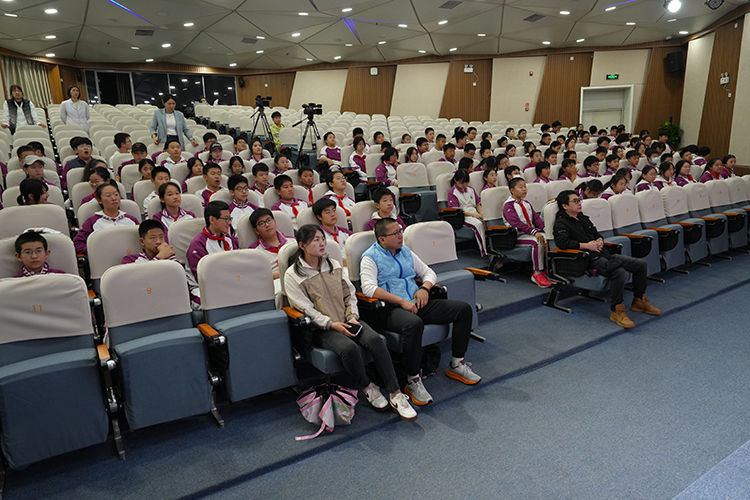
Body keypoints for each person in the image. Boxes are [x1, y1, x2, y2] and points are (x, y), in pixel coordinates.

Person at [285, 225, 417, 420]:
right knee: (349, 348)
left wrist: (352, 316)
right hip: (323, 328)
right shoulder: (293, 275)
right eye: (315, 240)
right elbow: (306, 309)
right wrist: (331, 324)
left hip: (348, 318)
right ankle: (368, 387)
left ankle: (396, 393)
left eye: (322, 238)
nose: (321, 243)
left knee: (376, 340)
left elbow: (350, 294)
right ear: (302, 245)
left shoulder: (333, 264)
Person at [361, 218, 481, 405]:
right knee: (414, 323)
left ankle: (457, 363)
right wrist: (401, 301)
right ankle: (412, 379)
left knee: (463, 309)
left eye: (400, 231)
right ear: (382, 239)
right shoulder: (370, 257)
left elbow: (428, 272)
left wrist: (424, 288)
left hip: (416, 302)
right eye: (395, 233)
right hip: (392, 309)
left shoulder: (405, 251)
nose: (400, 236)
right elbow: (368, 289)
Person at [553, 190, 661, 327]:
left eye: (579, 200)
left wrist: (599, 240)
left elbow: (597, 234)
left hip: (603, 254)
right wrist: (587, 246)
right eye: (575, 201)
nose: (579, 203)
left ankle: (639, 301)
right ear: (565, 206)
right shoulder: (561, 223)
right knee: (618, 271)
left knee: (640, 264)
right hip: (586, 259)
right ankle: (617, 310)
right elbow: (562, 243)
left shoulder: (583, 218)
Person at [503, 178, 550, 287]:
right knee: (537, 241)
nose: (524, 189)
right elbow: (517, 223)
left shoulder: (526, 203)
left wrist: (546, 229)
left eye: (525, 186)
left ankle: (548, 270)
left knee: (548, 238)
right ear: (512, 190)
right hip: (516, 236)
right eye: (520, 187)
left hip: (528, 233)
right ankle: (537, 273)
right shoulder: (508, 205)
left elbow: (536, 219)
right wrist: (534, 232)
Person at [73, 181, 140, 255]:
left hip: (132, 257)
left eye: (116, 194)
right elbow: (77, 244)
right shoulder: (91, 221)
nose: (114, 198)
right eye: (108, 196)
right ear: (99, 200)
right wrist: (97, 250)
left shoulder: (132, 219)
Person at [186, 200, 239, 281]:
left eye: (230, 219)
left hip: (228, 280)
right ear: (212, 220)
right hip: (204, 285)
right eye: (226, 219)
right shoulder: (198, 243)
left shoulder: (227, 238)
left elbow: (237, 262)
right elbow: (202, 276)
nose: (229, 223)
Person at [248, 209, 295, 294]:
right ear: (256, 230)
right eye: (261, 223)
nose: (267, 225)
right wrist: (275, 275)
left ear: (275, 222)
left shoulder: (293, 241)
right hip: (275, 283)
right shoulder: (254, 252)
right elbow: (255, 277)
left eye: (269, 220)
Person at [447, 168, 486, 256]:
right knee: (478, 224)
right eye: (462, 183)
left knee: (487, 221)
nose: (464, 185)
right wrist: (474, 215)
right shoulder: (452, 193)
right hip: (463, 216)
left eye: (466, 182)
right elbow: (457, 211)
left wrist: (481, 214)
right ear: (455, 180)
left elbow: (478, 205)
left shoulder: (471, 189)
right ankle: (484, 251)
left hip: (475, 213)